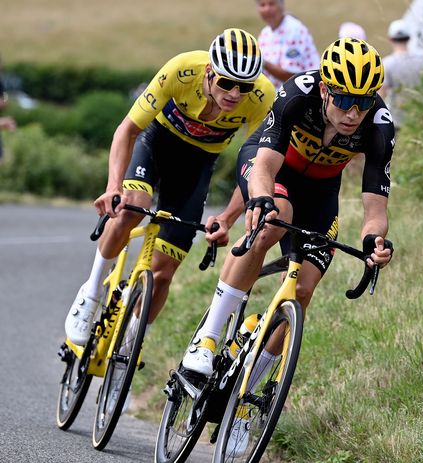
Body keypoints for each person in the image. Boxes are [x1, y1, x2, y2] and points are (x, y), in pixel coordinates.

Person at [182, 37, 395, 454]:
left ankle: (246, 398)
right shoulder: (297, 94)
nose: (354, 113)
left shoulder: (379, 126)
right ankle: (206, 337)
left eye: (364, 102)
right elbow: (264, 164)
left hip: (322, 194)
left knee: (302, 291)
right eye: (346, 101)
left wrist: (375, 240)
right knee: (273, 223)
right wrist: (259, 201)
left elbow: (375, 204)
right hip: (271, 171)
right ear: (325, 89)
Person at [63, 29, 275, 348]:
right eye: (226, 83)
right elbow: (128, 130)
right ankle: (91, 292)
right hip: (156, 143)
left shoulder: (261, 96)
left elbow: (258, 167)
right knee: (132, 208)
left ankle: (132, 344)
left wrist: (229, 218)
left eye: (243, 87)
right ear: (208, 72)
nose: (234, 93)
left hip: (197, 165)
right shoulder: (181, 70)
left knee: (163, 272)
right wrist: (112, 187)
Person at [256, 0, 320, 90]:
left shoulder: (294, 30)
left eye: (271, 4)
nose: (267, 9)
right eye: (262, 5)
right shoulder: (264, 34)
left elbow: (291, 77)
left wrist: (261, 62)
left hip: (305, 93)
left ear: (281, 5)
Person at [378, 19, 423, 130]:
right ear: (409, 38)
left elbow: (381, 95)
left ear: (390, 39)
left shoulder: (387, 64)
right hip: (421, 118)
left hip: (397, 121)